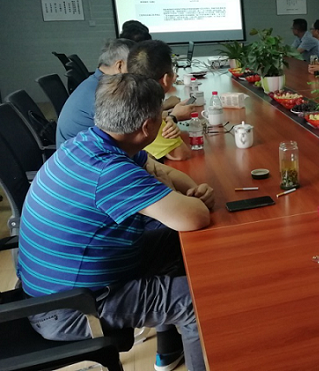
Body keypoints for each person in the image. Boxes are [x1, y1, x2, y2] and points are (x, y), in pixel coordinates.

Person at [17, 73, 213, 371]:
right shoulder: (109, 171)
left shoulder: (93, 141)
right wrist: (191, 201)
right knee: (196, 301)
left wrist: (189, 193)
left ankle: (169, 348)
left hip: (62, 288)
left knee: (173, 240)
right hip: (71, 308)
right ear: (147, 127)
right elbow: (195, 217)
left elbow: (164, 173)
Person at [56, 38, 133, 145]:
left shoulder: (95, 83)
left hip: (76, 148)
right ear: (119, 66)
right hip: (82, 152)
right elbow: (127, 134)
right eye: (135, 66)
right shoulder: (106, 92)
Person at [127, 40, 192, 161]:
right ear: (166, 79)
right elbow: (181, 154)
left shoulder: (128, 96)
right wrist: (171, 119)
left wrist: (171, 117)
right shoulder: (147, 110)